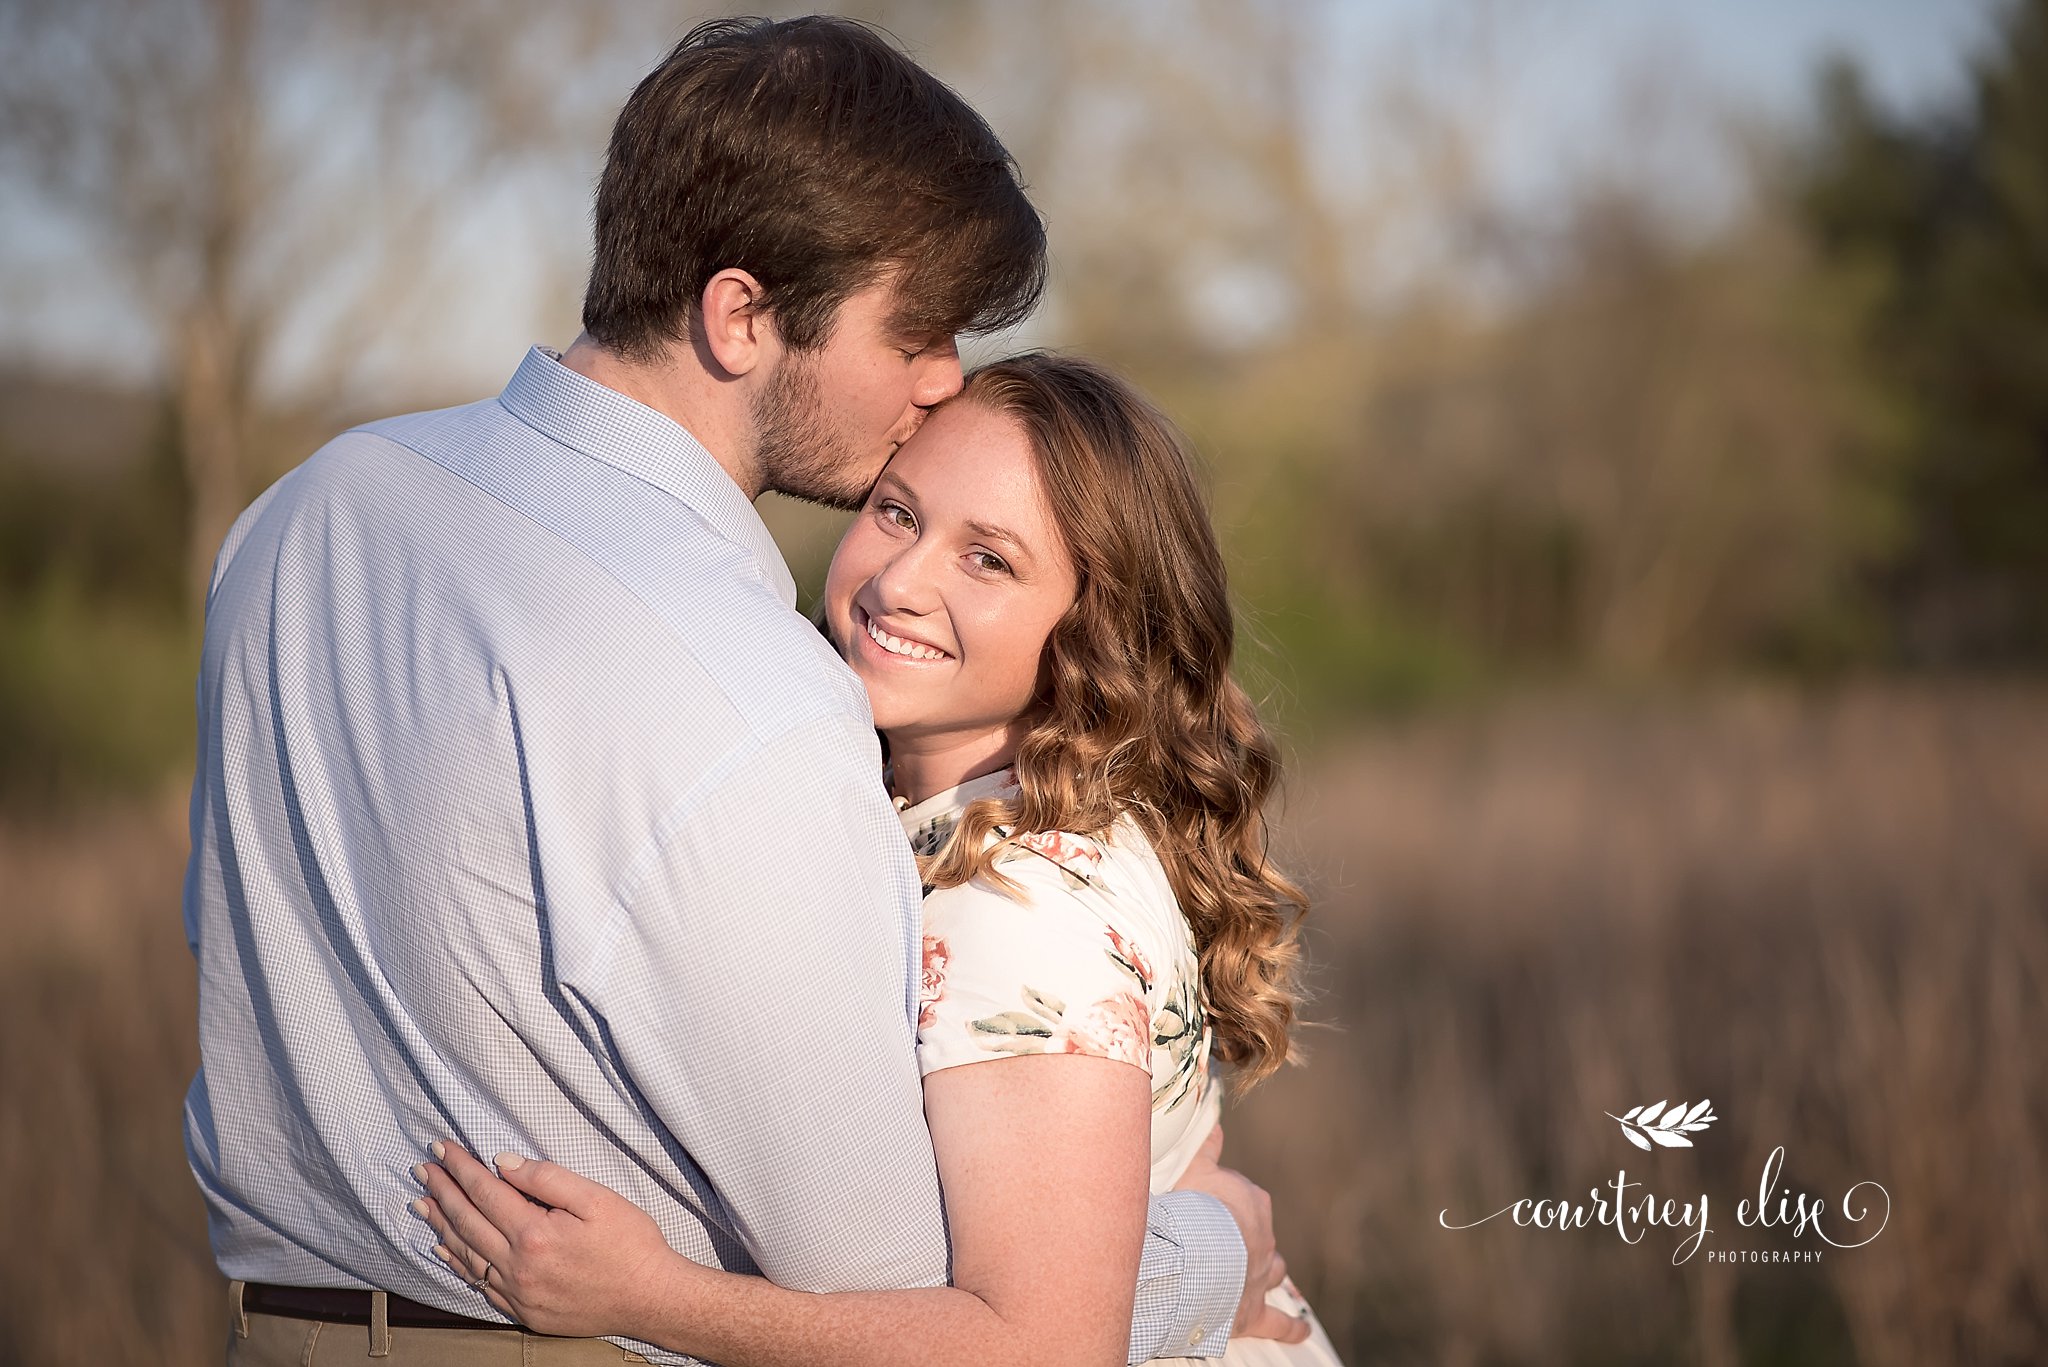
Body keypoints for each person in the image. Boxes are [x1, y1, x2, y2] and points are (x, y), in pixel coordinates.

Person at [181, 16, 1293, 1367]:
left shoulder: (302, 514)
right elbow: (895, 1276)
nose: (942, 379)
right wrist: (1206, 1243)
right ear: (742, 314)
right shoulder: (743, 685)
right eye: (916, 330)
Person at [407, 353, 1345, 1367]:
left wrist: (654, 1295)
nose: (899, 580)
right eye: (897, 512)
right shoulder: (945, 811)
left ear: (1096, 624)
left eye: (988, 559)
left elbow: (1042, 1346)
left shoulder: (1019, 900)